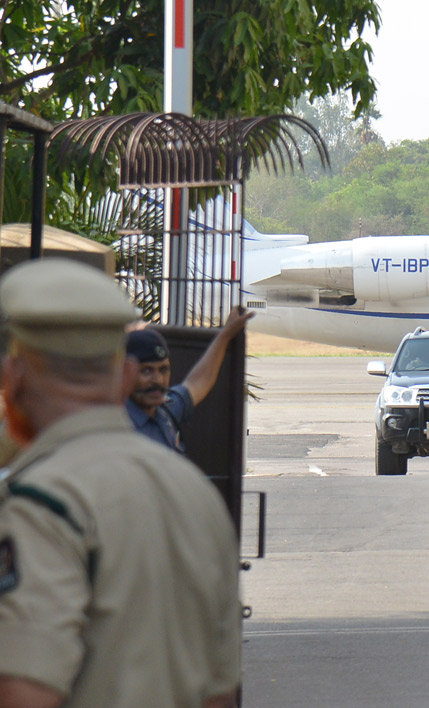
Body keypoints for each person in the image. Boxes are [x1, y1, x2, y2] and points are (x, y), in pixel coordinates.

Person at [0, 258, 241, 708]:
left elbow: (24, 692)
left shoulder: (41, 503)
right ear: (125, 374)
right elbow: (221, 691)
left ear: (12, 378)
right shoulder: (196, 495)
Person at [125, 306, 252, 452]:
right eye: (146, 371)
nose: (158, 380)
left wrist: (225, 335)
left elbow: (197, 383)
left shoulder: (165, 411)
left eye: (163, 369)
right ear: (126, 372)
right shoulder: (114, 426)